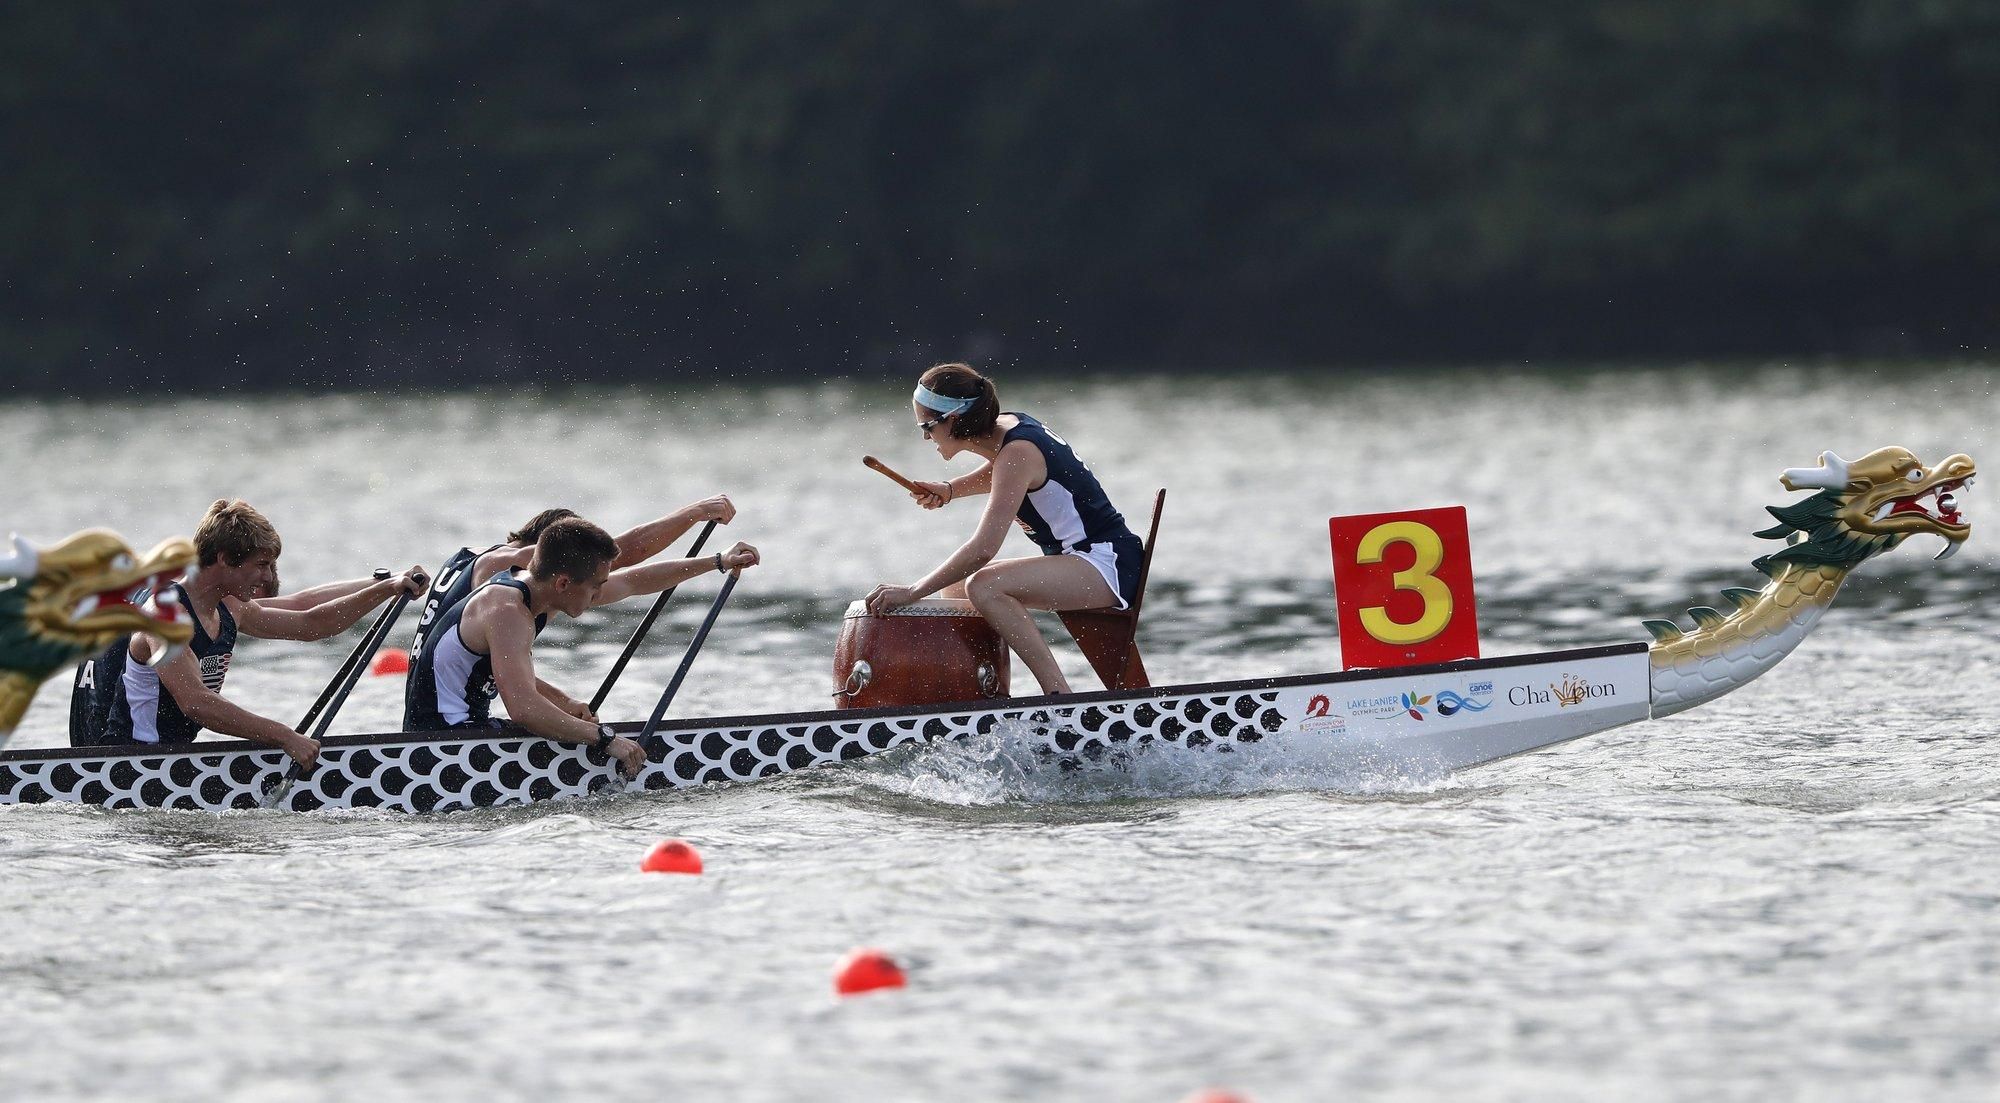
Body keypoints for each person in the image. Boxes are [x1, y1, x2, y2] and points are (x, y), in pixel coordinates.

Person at [69, 499, 427, 768]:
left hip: (170, 760)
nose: (268, 578)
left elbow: (310, 621)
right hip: (131, 765)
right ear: (224, 559)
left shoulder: (229, 606)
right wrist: (285, 737)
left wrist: (386, 586)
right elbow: (197, 703)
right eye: (261, 565)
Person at [402, 517, 760, 777]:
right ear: (562, 582)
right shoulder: (507, 611)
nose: (599, 595)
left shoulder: (540, 595)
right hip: (438, 747)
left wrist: (716, 562)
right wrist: (606, 740)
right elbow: (524, 709)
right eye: (594, 587)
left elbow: (634, 582)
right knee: (588, 742)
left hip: (459, 734)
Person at [865, 363, 1145, 694]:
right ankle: (984, 692)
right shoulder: (1009, 427)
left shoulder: (1018, 452)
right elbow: (1004, 471)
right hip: (1087, 560)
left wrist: (912, 592)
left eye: (927, 426)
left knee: (984, 585)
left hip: (1108, 564)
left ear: (953, 419)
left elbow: (983, 549)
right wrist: (950, 489)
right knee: (955, 590)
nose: (926, 436)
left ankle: (1058, 697)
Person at [407, 497, 736, 664]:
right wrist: (695, 511)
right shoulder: (504, 566)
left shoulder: (485, 563)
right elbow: (627, 551)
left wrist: (717, 562)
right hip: (443, 723)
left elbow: (631, 582)